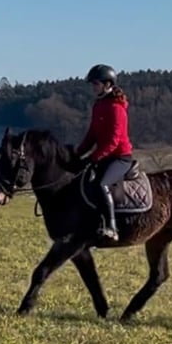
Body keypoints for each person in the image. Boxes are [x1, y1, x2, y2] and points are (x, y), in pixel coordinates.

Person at [75, 64, 133, 241]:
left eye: (96, 84)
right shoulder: (99, 105)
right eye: (93, 84)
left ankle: (112, 227)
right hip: (105, 156)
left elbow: (113, 141)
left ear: (108, 84)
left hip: (120, 158)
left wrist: (93, 158)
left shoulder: (117, 108)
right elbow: (92, 134)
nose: (93, 87)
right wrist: (78, 154)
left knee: (102, 184)